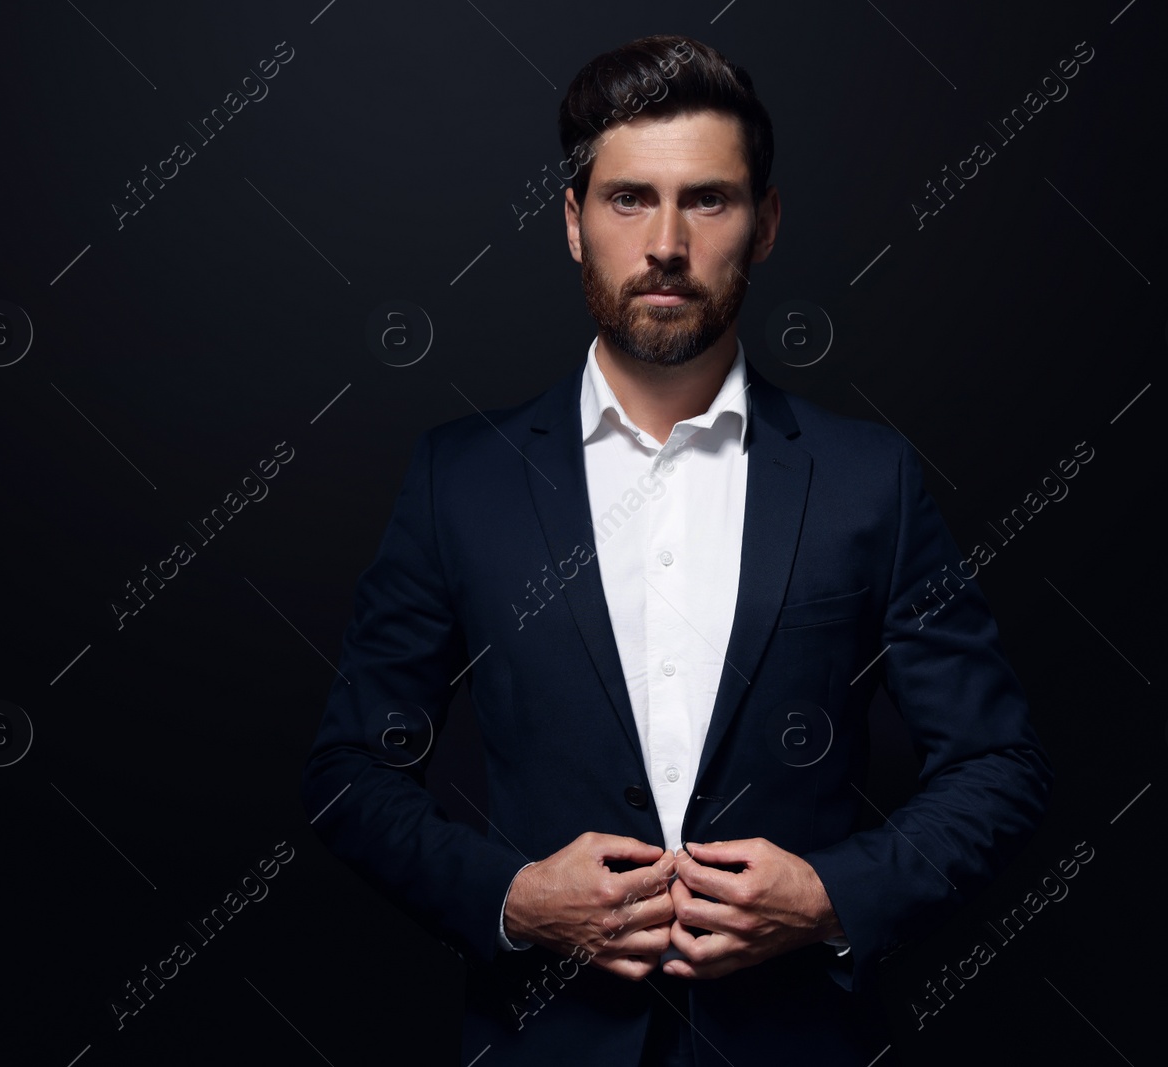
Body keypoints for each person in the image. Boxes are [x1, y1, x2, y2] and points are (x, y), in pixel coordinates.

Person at [301, 33, 1052, 1065]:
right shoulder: (458, 480)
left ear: (766, 222)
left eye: (707, 199)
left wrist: (833, 894)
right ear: (571, 221)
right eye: (626, 199)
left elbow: (998, 763)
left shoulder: (865, 477)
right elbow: (351, 770)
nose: (665, 241)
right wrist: (511, 897)